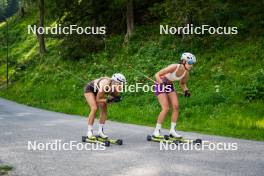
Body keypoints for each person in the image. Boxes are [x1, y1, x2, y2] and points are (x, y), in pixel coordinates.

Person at [153, 52, 196, 138]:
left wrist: (186, 91)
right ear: (184, 61)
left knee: (176, 106)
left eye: (193, 63)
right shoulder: (174, 67)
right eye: (190, 63)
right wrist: (161, 84)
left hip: (169, 85)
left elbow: (182, 84)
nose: (191, 65)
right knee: (166, 108)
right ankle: (156, 130)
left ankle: (172, 131)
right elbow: (157, 74)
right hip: (160, 83)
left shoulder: (186, 73)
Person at [84, 73, 126, 139]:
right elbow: (98, 99)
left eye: (123, 84)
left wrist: (115, 99)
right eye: (120, 84)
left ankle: (100, 131)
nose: (121, 86)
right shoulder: (105, 84)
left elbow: (113, 97)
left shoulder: (117, 87)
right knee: (94, 108)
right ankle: (89, 131)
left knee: (104, 110)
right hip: (90, 90)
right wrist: (108, 100)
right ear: (114, 82)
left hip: (100, 92)